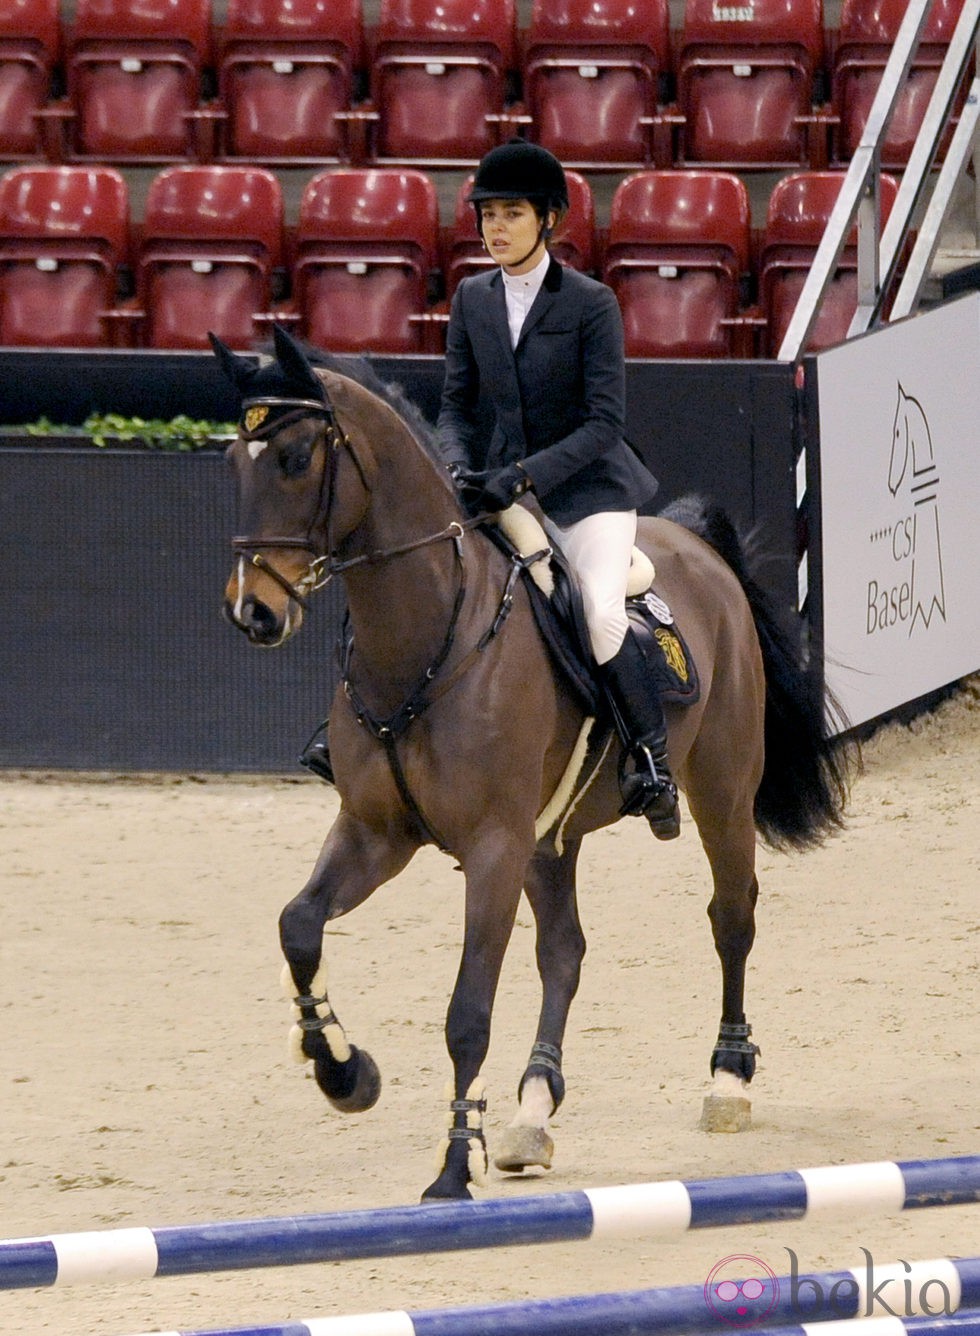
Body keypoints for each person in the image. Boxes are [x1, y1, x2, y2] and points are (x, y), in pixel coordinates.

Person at [436, 139, 680, 840]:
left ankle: (651, 764)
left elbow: (605, 423)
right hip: (499, 490)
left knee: (600, 612)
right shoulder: (472, 299)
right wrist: (459, 465)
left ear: (549, 221)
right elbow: (456, 405)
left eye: (512, 214)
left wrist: (525, 475)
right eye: (487, 215)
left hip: (586, 495)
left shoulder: (590, 304)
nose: (496, 229)